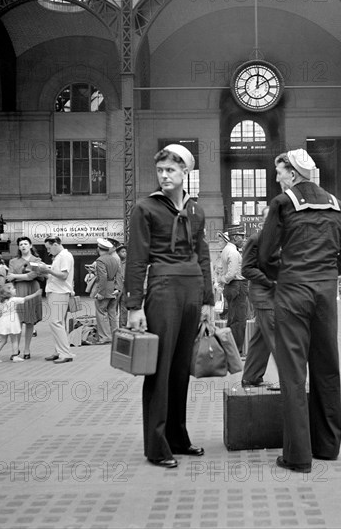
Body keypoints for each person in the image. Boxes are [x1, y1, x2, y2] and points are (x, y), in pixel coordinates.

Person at [258, 149, 341, 473]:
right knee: (327, 367)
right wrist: (325, 273)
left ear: (294, 174)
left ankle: (298, 456)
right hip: (326, 294)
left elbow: (265, 255)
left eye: (280, 172)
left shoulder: (283, 204)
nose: (277, 179)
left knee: (293, 373)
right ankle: (327, 446)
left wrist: (286, 275)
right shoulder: (338, 205)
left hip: (292, 293)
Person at [124, 144, 214, 468]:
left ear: (185, 172)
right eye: (160, 170)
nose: (164, 175)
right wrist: (134, 306)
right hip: (162, 290)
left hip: (192, 290)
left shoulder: (196, 210)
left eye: (171, 170)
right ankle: (157, 446)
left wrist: (208, 302)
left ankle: (178, 437)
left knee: (180, 371)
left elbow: (203, 256)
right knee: (159, 370)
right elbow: (136, 259)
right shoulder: (144, 208)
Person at [241, 206, 278, 388]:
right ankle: (289, 380)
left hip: (274, 295)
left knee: (261, 338)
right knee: (277, 337)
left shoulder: (280, 240)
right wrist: (270, 281)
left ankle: (251, 376)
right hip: (264, 296)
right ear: (263, 221)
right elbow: (246, 269)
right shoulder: (255, 239)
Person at [5, 237, 44, 359]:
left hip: (33, 289)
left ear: (31, 245)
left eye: (25, 244)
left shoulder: (37, 260)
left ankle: (27, 350)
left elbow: (33, 275)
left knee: (30, 321)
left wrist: (15, 276)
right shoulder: (13, 261)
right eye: (21, 244)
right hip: (18, 290)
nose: (23, 246)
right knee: (17, 320)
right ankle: (15, 350)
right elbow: (8, 277)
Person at [39, 236, 76, 363]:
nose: (48, 251)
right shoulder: (59, 257)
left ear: (55, 244)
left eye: (49, 248)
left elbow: (64, 276)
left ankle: (65, 353)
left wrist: (48, 270)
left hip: (60, 292)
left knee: (56, 322)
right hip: (55, 291)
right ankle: (59, 351)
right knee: (56, 322)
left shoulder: (65, 256)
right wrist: (44, 271)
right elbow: (56, 275)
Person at [0, 284, 42, 363]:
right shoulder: (13, 299)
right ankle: (15, 356)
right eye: (13, 289)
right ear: (8, 293)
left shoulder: (0, 302)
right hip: (12, 321)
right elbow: (25, 299)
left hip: (3, 321)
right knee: (14, 339)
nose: (15, 289)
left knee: (3, 340)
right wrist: (36, 294)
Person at [219, 227, 248, 355]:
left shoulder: (226, 250)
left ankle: (230, 349)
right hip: (237, 285)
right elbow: (232, 273)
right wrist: (223, 279)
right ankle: (236, 350)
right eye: (241, 236)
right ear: (235, 237)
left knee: (232, 318)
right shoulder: (234, 252)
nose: (243, 239)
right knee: (239, 319)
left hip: (232, 287)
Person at [91, 238, 122, 344]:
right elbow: (119, 275)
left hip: (105, 290)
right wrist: (118, 288)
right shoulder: (115, 259)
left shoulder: (100, 260)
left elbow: (103, 277)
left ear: (98, 248)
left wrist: (100, 292)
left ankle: (105, 337)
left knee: (101, 312)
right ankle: (114, 335)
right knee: (112, 313)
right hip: (114, 289)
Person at [116, 244, 128, 327]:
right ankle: (112, 328)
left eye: (125, 251)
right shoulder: (115, 262)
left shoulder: (129, 263)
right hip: (116, 287)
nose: (125, 253)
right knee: (113, 308)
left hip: (125, 288)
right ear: (118, 253)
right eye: (122, 251)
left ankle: (123, 327)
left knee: (124, 309)